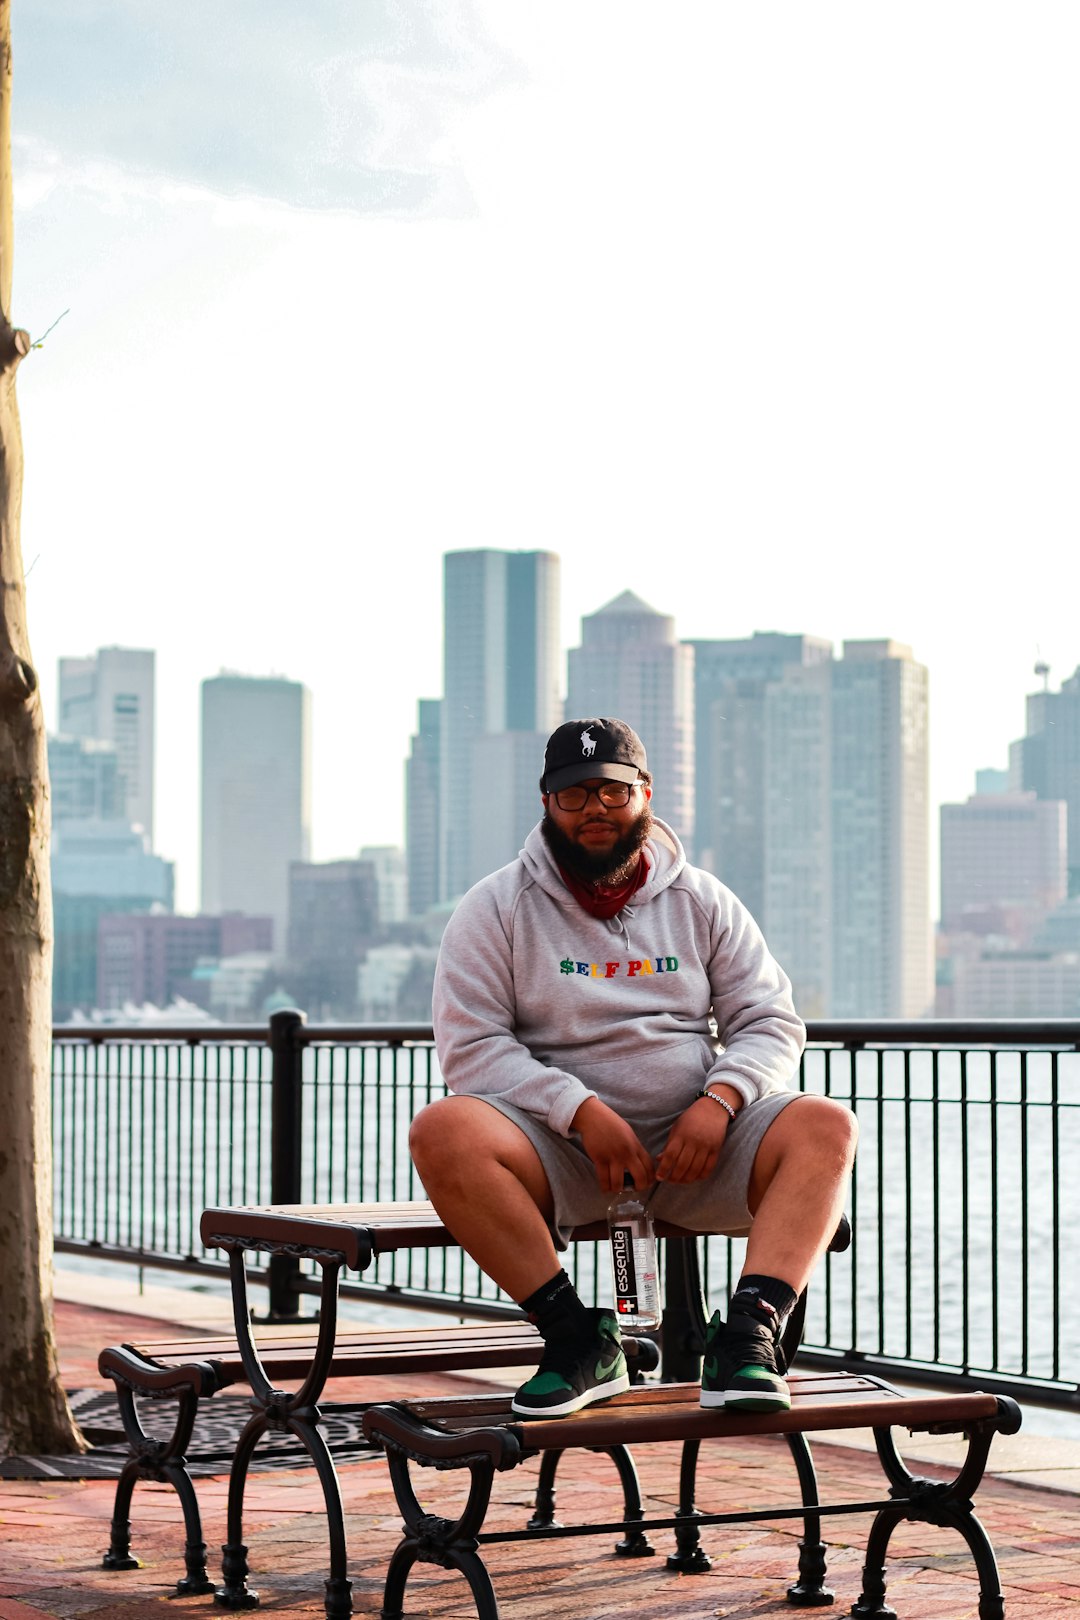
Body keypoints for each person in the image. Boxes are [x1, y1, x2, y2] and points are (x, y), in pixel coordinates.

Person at [410, 717, 857, 1419]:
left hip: (702, 1152)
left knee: (826, 1124)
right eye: (575, 794)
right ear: (547, 804)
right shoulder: (494, 907)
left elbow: (771, 1021)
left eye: (614, 792)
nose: (595, 808)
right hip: (564, 1155)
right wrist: (580, 1114)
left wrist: (720, 1103)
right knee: (442, 1130)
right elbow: (471, 1049)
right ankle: (578, 1341)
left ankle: (746, 1339)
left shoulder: (703, 900)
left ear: (646, 794)